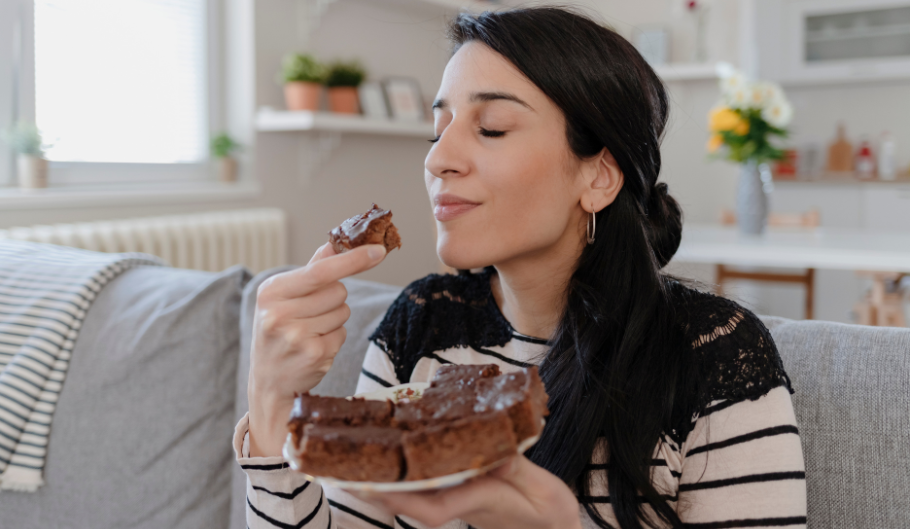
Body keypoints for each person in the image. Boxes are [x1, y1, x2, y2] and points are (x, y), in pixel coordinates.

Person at [235, 7, 807, 529]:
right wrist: (268, 401)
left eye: (492, 128)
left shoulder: (713, 356)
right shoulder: (423, 323)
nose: (437, 158)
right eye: (438, 129)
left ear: (598, 176)